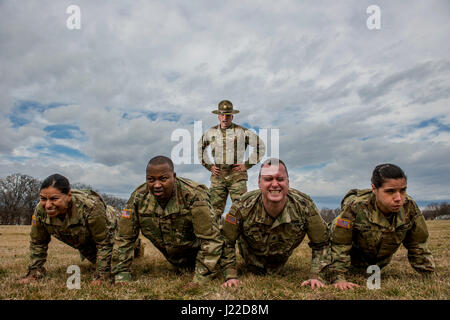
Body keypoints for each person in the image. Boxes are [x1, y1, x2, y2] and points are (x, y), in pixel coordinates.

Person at [111, 156, 223, 286]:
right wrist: (121, 275)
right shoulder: (138, 197)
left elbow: (211, 240)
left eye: (163, 179)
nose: (157, 185)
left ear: (174, 177)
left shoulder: (194, 195)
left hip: (204, 256)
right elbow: (124, 238)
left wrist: (200, 279)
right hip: (175, 260)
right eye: (151, 179)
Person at [220, 158, 330, 288]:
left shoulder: (304, 205)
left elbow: (321, 243)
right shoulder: (242, 206)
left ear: (288, 183)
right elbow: (227, 240)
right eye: (268, 179)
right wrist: (230, 275)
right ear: (259, 183)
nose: (275, 184)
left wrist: (316, 276)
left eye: (280, 179)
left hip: (281, 259)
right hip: (251, 261)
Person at [328, 163, 436, 290]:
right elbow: (340, 243)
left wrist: (429, 275)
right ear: (374, 189)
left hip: (378, 263)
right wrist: (338, 277)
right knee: (335, 224)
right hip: (353, 260)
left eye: (403, 190)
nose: (398, 198)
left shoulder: (409, 208)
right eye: (390, 191)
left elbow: (418, 243)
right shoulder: (356, 207)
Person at [20, 174, 120, 285]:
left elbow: (104, 242)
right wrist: (34, 273)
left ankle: (137, 246)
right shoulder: (40, 211)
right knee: (95, 259)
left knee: (119, 258)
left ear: (68, 196)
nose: (47, 205)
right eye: (43, 199)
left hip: (114, 223)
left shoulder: (91, 207)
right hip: (83, 238)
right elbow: (38, 243)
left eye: (54, 199)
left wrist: (102, 276)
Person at [198, 100, 266, 221]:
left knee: (241, 211)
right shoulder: (211, 132)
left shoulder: (242, 132)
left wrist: (247, 165)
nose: (225, 118)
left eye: (228, 115)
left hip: (237, 177)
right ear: (218, 116)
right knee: (213, 212)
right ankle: (215, 239)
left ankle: (241, 240)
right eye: (222, 115)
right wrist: (209, 166)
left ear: (232, 116)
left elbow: (260, 146)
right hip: (218, 177)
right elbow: (200, 148)